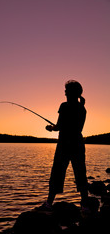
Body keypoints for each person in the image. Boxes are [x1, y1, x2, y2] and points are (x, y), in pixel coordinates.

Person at [38, 80, 89, 211]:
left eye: (66, 90)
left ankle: (49, 203)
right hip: (78, 142)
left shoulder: (64, 106)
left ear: (71, 92)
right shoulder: (82, 109)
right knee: (80, 173)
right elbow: (78, 127)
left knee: (57, 173)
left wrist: (51, 128)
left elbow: (59, 126)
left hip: (64, 144)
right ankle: (84, 204)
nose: (64, 92)